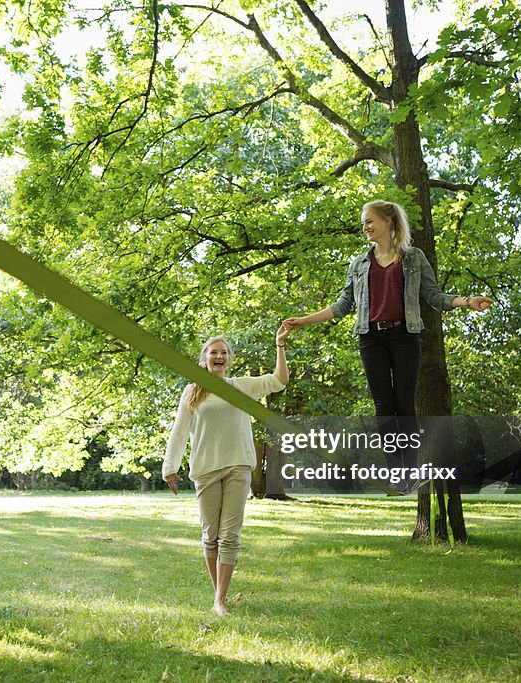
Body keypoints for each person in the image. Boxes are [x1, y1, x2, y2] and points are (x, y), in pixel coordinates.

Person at [284, 200, 492, 491]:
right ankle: (396, 470)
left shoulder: (413, 258)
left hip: (404, 336)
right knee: (383, 404)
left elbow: (435, 297)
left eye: (370, 221)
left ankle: (410, 468)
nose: (365, 227)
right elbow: (343, 305)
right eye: (363, 222)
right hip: (370, 338)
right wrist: (303, 321)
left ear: (388, 221)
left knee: (404, 403)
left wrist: (468, 301)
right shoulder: (359, 264)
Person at [163, 325, 289, 616]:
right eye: (213, 352)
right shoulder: (192, 392)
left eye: (224, 352)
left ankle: (219, 600)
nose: (219, 356)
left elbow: (279, 381)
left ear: (229, 359)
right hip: (206, 468)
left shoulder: (241, 387)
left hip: (238, 466)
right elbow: (179, 432)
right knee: (211, 535)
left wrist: (279, 345)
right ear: (204, 358)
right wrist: (170, 467)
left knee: (229, 535)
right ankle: (219, 594)